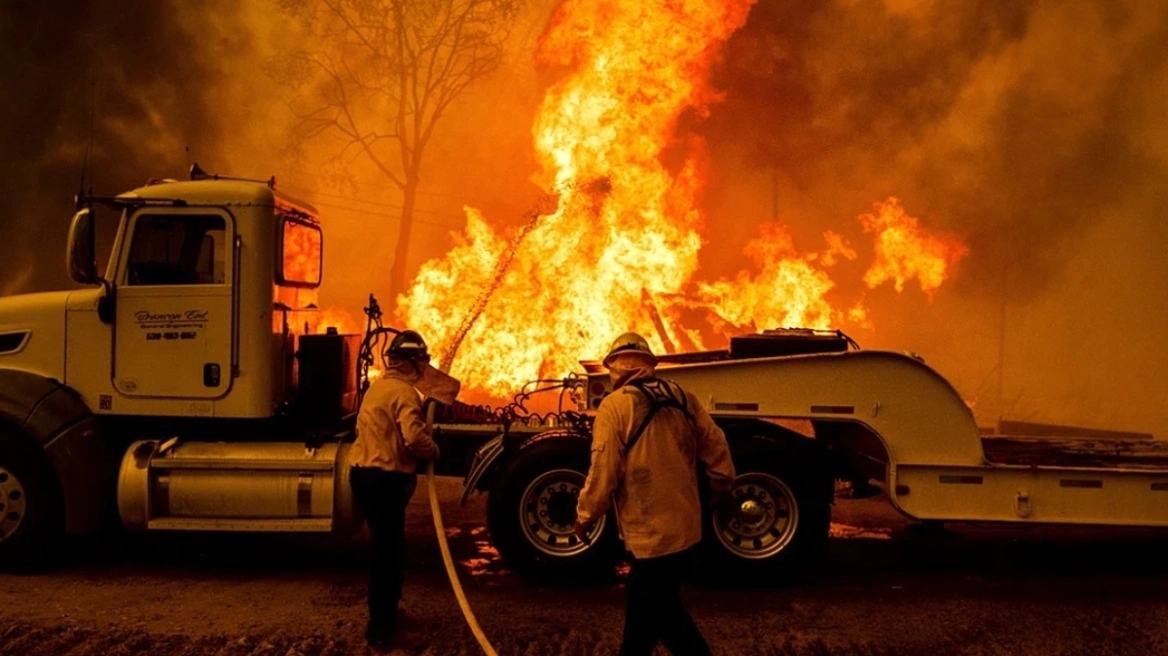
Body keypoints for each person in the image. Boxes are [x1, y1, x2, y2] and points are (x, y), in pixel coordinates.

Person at [574, 332, 736, 656]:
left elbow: (604, 470)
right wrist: (722, 487)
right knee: (647, 619)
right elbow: (716, 446)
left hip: (650, 538)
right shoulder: (683, 397)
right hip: (686, 532)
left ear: (613, 367)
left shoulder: (615, 406)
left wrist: (585, 515)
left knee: (662, 615)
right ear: (649, 364)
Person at [349, 329, 459, 647]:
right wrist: (433, 450)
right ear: (410, 363)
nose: (424, 368)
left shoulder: (377, 388)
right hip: (384, 481)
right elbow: (414, 437)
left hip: (364, 476)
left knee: (388, 548)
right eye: (421, 362)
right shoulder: (405, 393)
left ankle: (389, 615)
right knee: (388, 555)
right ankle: (381, 630)